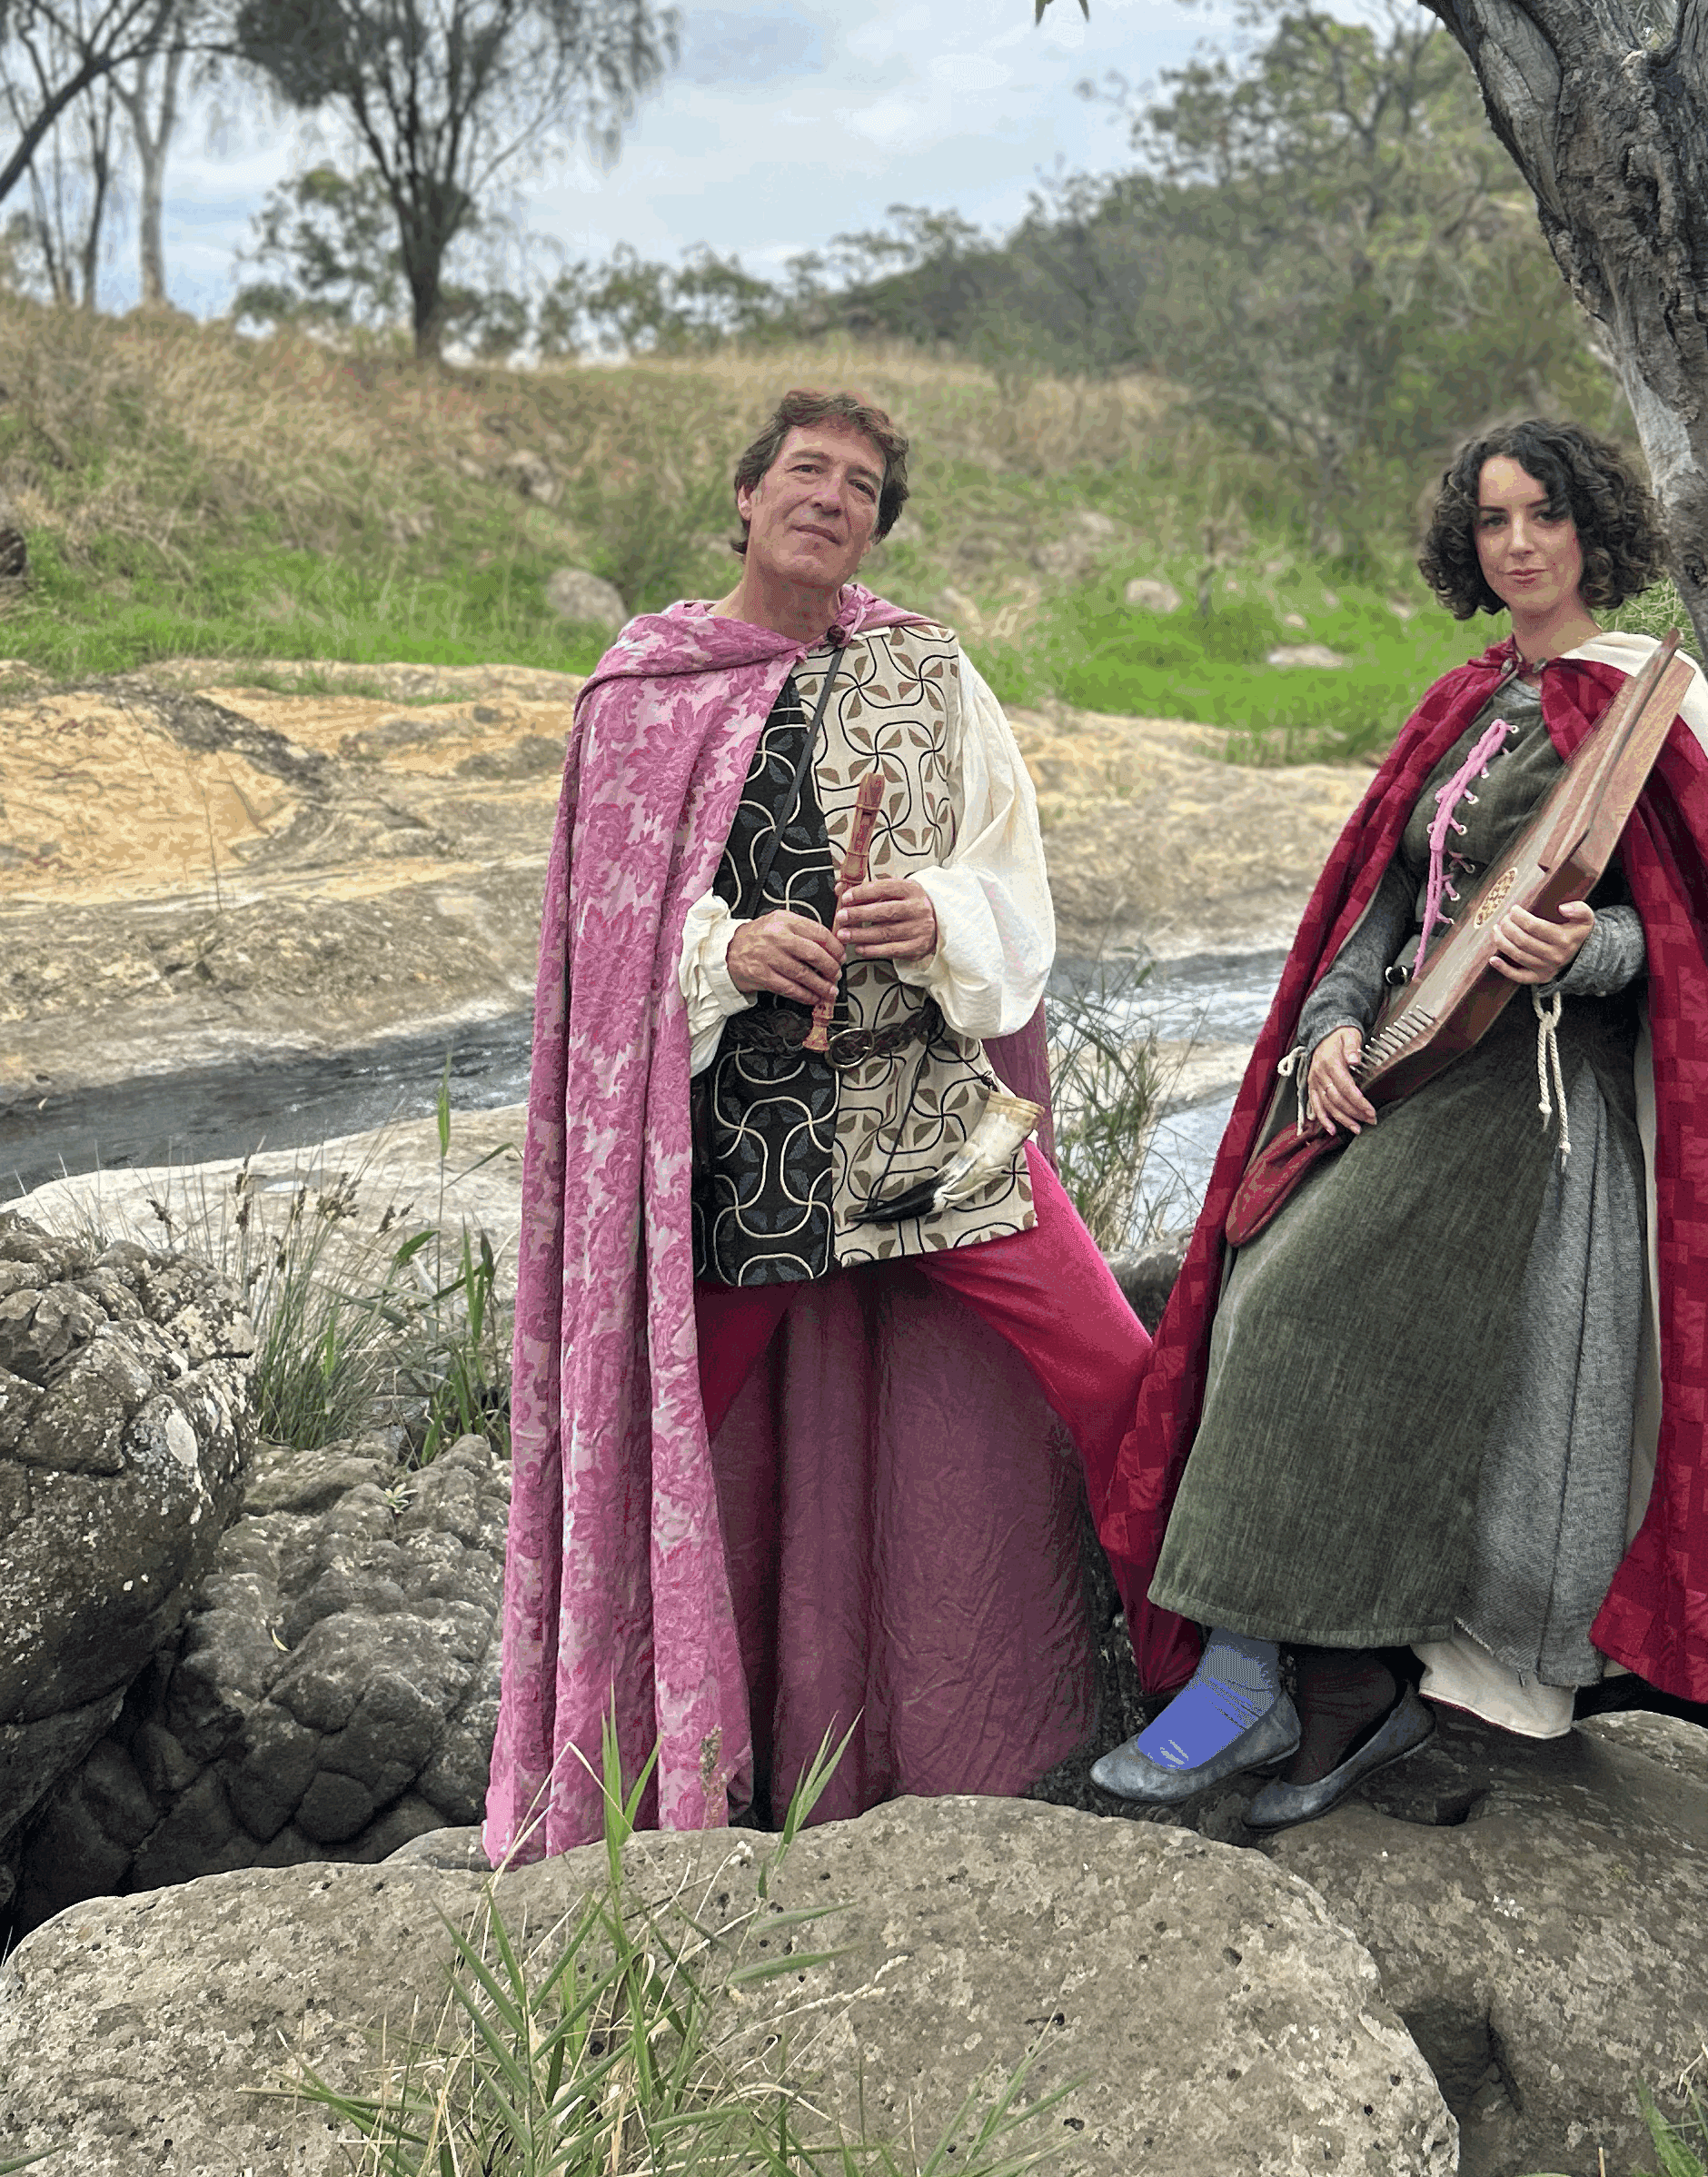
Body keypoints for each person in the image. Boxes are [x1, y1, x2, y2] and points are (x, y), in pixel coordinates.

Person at [1091, 419, 1708, 1828]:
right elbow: (1383, 904)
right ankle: (1320, 1684)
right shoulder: (1467, 703)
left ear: (1591, 532)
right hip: (1402, 1063)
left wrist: (1586, 954)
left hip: (1532, 1092)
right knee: (1259, 1284)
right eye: (1493, 520)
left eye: (1543, 515)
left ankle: (1256, 1669)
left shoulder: (1650, 707)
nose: (1517, 543)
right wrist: (1327, 1029)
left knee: (1298, 1310)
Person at [488, 387, 1197, 1855]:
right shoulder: (641, 692)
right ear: (743, 499)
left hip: (929, 1126)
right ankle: (614, 1765)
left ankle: (1203, 1690)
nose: (832, 496)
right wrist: (727, 952)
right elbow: (598, 944)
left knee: (1120, 1374)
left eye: (863, 484)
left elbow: (1017, 898)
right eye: (806, 470)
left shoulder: (929, 676)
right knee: (659, 1438)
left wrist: (929, 910)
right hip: (746, 1152)